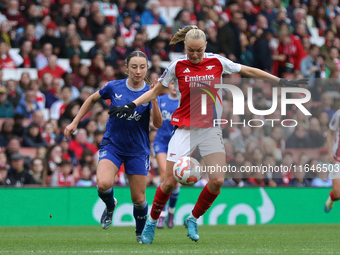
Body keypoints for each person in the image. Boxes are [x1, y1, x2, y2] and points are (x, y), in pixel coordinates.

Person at [109, 25, 308, 244]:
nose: (194, 55)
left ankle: (193, 218)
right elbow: (156, 90)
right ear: (185, 46)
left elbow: (248, 71)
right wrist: (132, 104)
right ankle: (151, 223)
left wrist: (280, 82)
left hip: (210, 129)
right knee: (168, 183)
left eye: (198, 51)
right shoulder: (177, 66)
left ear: (205, 46)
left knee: (217, 181)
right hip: (184, 129)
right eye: (190, 51)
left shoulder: (217, 62)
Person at [64, 51, 162, 243]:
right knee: (102, 184)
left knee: (139, 199)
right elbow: (92, 99)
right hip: (113, 145)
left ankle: (139, 234)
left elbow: (157, 124)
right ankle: (110, 206)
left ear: (147, 68)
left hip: (137, 150)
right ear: (126, 68)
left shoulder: (150, 91)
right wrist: (75, 122)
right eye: (134, 66)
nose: (138, 71)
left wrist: (155, 98)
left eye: (142, 67)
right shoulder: (114, 86)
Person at [153, 81, 179, 229]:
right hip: (161, 143)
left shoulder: (184, 101)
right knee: (164, 175)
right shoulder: (161, 99)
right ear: (168, 85)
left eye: (177, 83)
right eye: (172, 83)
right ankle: (161, 214)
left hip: (178, 143)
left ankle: (171, 212)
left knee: (175, 180)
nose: (174, 86)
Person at [324, 108, 340, 213]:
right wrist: (330, 152)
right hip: (338, 156)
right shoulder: (338, 114)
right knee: (337, 193)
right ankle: (331, 198)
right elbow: (329, 133)